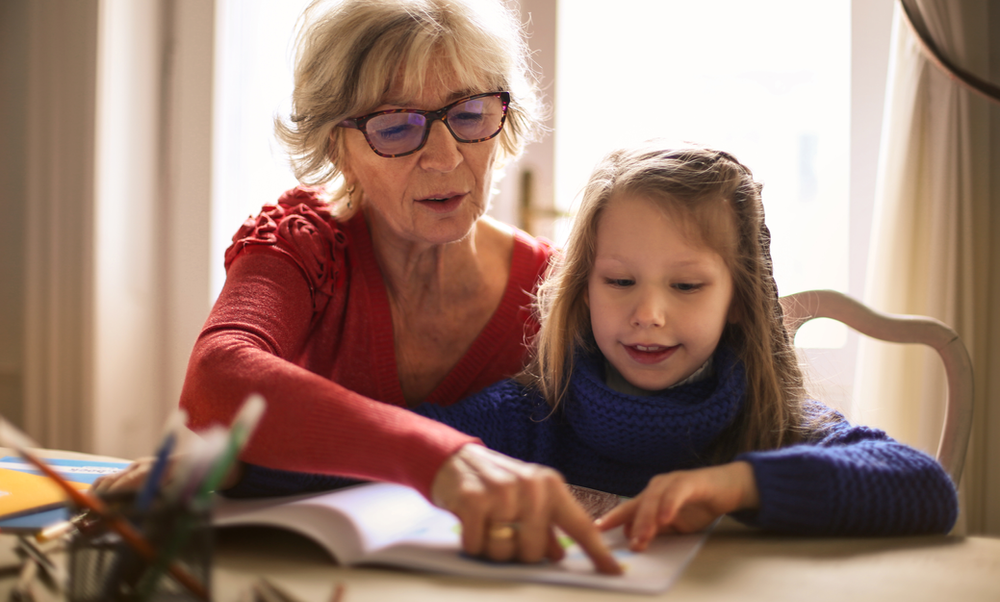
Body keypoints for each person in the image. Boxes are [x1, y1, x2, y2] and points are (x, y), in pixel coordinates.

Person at [94, 0, 619, 573]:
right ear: (335, 148)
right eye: (397, 127)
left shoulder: (551, 288)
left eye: (471, 116)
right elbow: (218, 377)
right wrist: (438, 457)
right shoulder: (305, 242)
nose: (445, 157)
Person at [214, 141, 959, 547]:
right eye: (620, 282)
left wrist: (738, 486)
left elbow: (926, 488)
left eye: (688, 287)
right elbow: (384, 457)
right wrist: (223, 473)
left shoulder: (768, 424)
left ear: (740, 304)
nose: (650, 316)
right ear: (581, 290)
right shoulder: (530, 417)